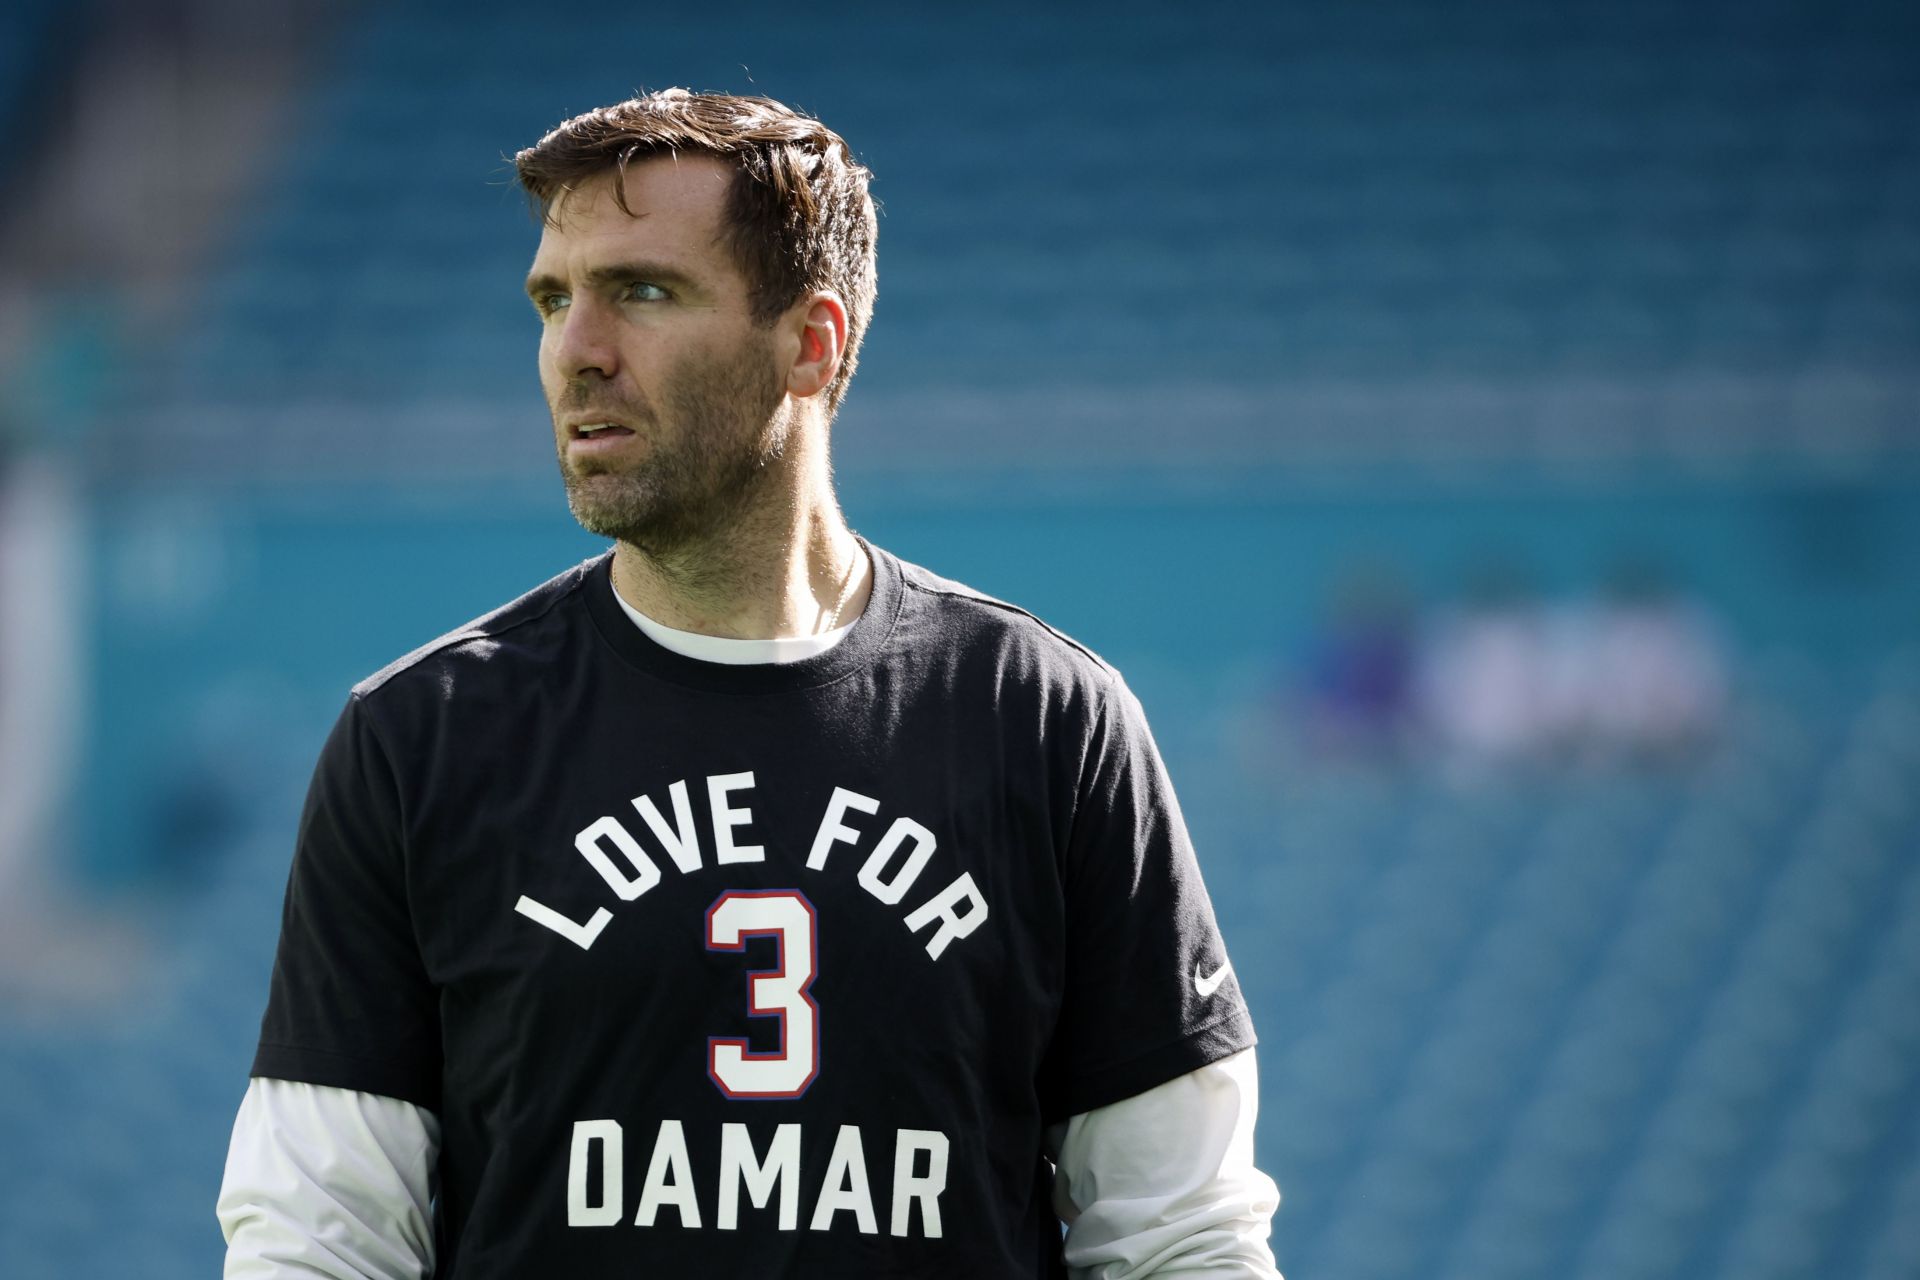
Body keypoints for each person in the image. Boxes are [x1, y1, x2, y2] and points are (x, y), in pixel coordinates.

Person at [216, 88, 1280, 1278]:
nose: (579, 349)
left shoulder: (1046, 720)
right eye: (555, 299)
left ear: (811, 343)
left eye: (645, 291)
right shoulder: (420, 737)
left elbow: (1183, 1235)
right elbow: (318, 1240)